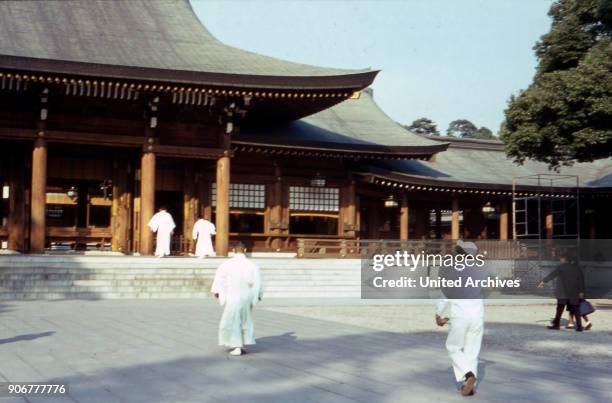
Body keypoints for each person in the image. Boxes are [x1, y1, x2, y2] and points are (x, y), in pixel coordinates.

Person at [435, 240, 484, 397]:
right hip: (477, 315)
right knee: (472, 351)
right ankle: (470, 387)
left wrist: (439, 314)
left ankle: (468, 375)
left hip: (460, 314)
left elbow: (444, 294)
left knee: (453, 347)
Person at [211, 242, 262, 356]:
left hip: (233, 294)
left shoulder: (227, 264)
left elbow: (220, 279)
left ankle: (237, 346)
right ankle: (243, 343)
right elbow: (257, 281)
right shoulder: (252, 265)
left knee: (233, 320)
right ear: (245, 250)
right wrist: (258, 294)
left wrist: (217, 291)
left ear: (233, 250)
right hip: (247, 295)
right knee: (245, 319)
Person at [537, 250, 585, 332]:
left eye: (561, 258)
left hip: (563, 292)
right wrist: (581, 291)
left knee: (559, 309)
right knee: (576, 309)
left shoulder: (561, 267)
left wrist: (543, 281)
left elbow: (552, 274)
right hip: (574, 292)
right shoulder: (577, 268)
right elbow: (581, 280)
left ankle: (556, 325)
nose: (560, 260)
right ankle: (579, 327)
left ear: (564, 259)